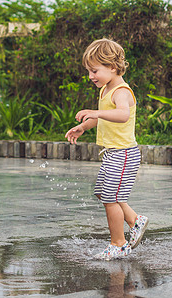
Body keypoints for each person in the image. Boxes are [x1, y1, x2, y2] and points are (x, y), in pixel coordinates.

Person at [65, 38, 148, 260]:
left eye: (94, 70)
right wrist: (83, 126)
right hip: (112, 154)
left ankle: (119, 243)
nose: (91, 76)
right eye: (88, 71)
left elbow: (122, 115)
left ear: (112, 67)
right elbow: (102, 117)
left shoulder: (121, 91)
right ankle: (134, 220)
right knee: (103, 193)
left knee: (111, 197)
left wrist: (96, 113)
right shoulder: (105, 90)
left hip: (124, 153)